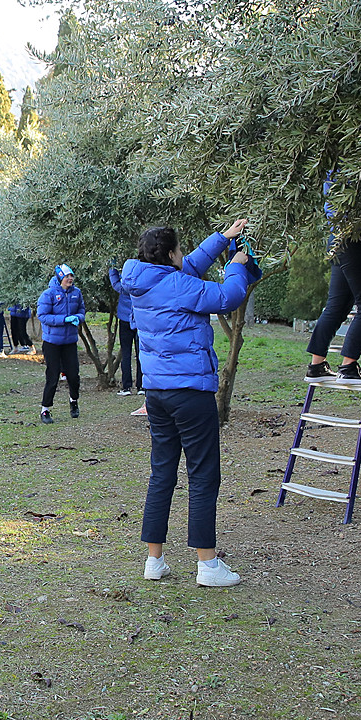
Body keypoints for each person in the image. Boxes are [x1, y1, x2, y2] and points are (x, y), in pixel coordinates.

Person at [119, 220, 251, 587]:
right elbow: (228, 297)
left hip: (157, 393)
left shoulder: (144, 282)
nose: (184, 255)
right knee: (203, 475)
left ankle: (154, 560)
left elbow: (187, 267)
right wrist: (237, 265)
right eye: (180, 250)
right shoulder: (177, 285)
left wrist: (221, 239)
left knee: (162, 473)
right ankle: (208, 565)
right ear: (170, 254)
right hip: (191, 392)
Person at [306, 177, 361, 383]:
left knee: (337, 306)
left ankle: (316, 366)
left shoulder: (333, 168)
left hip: (337, 239)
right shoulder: (360, 166)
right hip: (357, 239)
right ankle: (348, 367)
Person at [36, 264, 85, 422]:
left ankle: (74, 401)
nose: (70, 279)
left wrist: (79, 318)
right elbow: (43, 316)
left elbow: (82, 310)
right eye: (66, 276)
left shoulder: (76, 293)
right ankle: (45, 409)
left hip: (70, 341)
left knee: (73, 375)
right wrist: (64, 319)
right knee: (53, 375)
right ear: (60, 278)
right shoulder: (48, 294)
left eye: (71, 276)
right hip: (52, 342)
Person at [109, 264, 140, 396]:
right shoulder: (141, 282)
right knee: (141, 353)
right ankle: (142, 386)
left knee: (126, 353)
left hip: (125, 319)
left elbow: (115, 282)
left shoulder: (123, 285)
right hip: (140, 319)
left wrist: (112, 267)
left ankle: (126, 387)